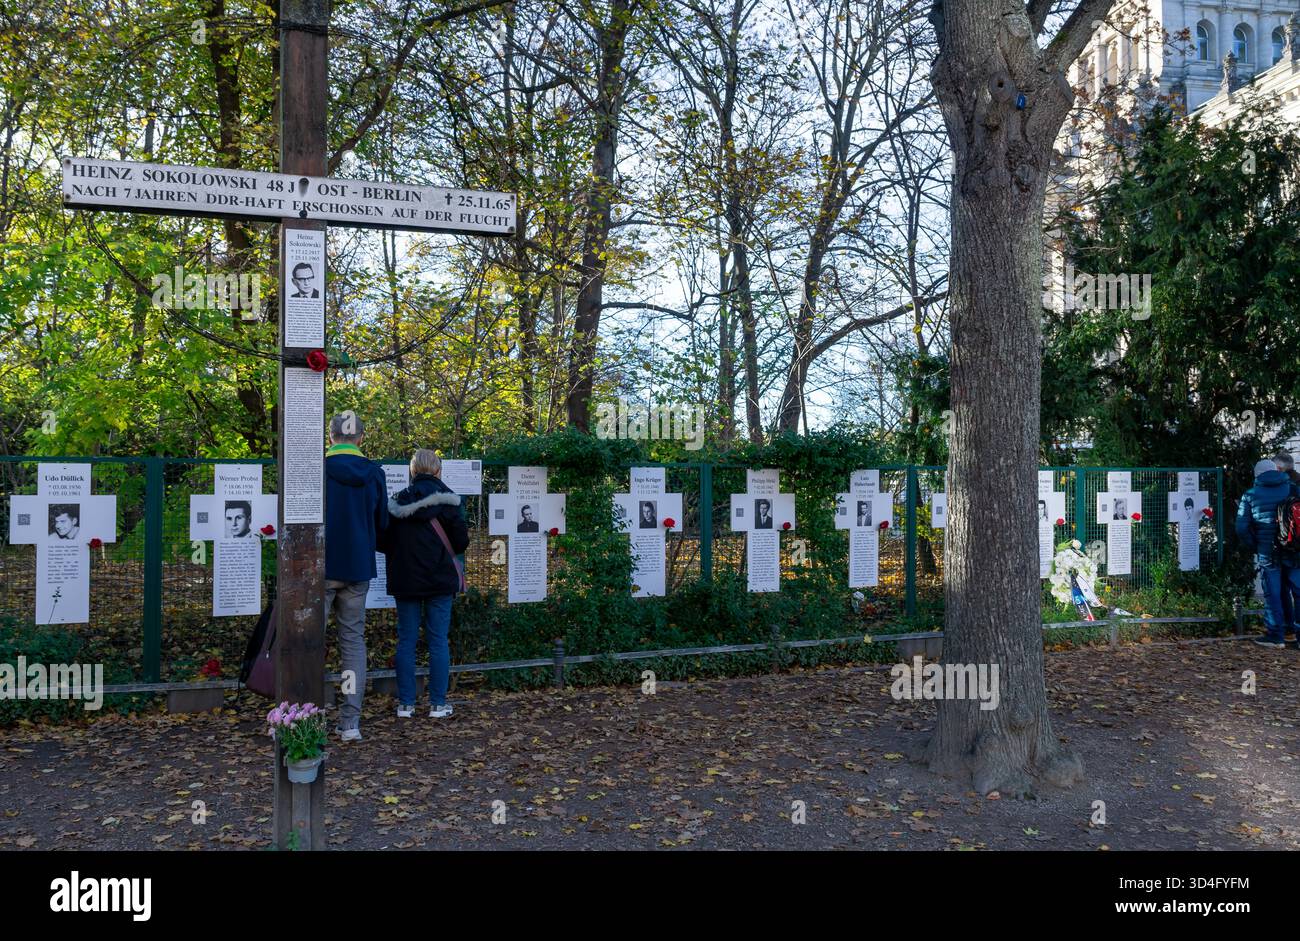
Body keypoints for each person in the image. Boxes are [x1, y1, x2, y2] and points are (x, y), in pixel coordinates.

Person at [379, 449, 468, 719]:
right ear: (438, 471)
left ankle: (406, 704)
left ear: (412, 471)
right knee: (438, 640)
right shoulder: (450, 502)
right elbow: (461, 542)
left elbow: (382, 541)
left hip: (405, 580)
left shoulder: (396, 503)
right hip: (440, 580)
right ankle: (438, 704)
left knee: (406, 640)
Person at [324, 412, 390, 740]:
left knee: (308, 642)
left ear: (331, 436)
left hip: (320, 569)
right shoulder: (374, 474)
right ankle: (350, 722)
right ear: (361, 439)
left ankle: (300, 718)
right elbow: (382, 524)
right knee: (352, 643)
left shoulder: (317, 469)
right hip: (358, 567)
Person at [1236, 458, 1300, 648]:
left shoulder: (1250, 495)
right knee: (1298, 592)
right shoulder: (1292, 488)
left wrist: (1256, 544)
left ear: (1257, 475)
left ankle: (1276, 636)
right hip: (1294, 550)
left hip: (1268, 552)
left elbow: (1242, 527)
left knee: (1272, 593)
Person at [1273, 452, 1300, 642]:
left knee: (1283, 588)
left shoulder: (1282, 487)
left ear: (1279, 468)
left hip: (1285, 545)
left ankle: (1289, 628)